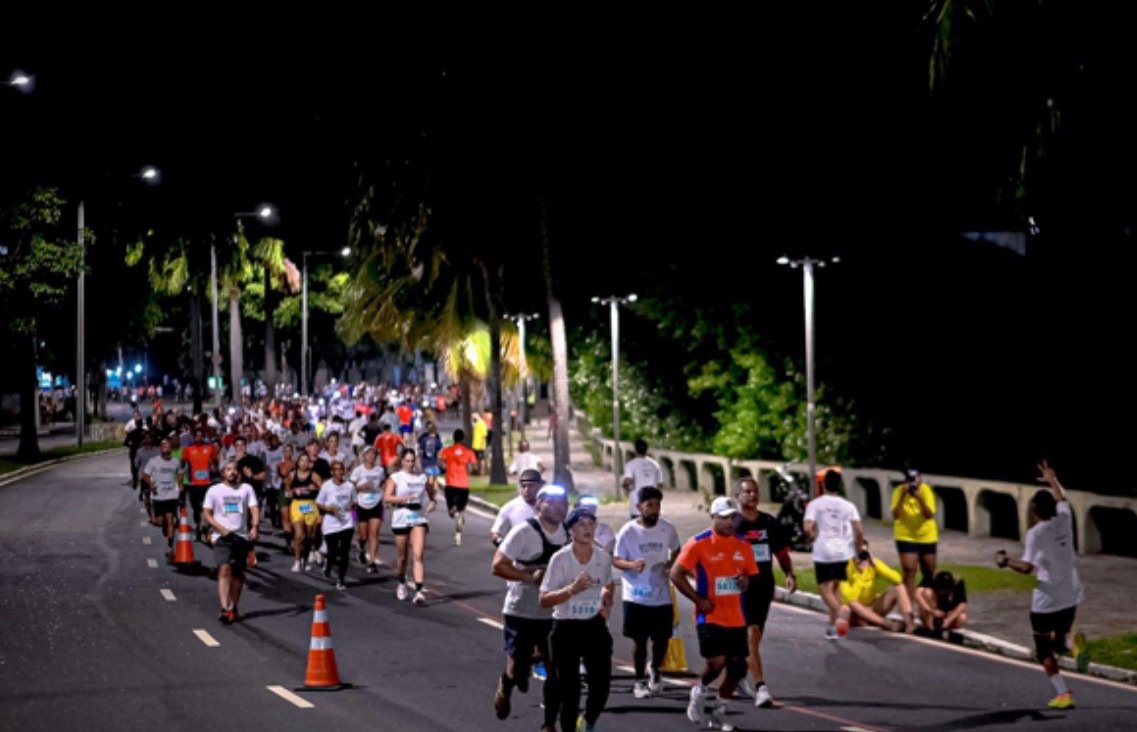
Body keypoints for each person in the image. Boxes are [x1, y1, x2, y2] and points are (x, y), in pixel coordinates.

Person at [995, 459, 1086, 710]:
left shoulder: (1036, 533)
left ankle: (1063, 694)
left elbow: (1026, 568)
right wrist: (1053, 480)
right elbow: (1063, 498)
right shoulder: (1065, 520)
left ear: (1034, 510)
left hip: (1047, 600)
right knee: (1059, 642)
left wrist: (1005, 561)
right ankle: (1073, 644)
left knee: (1043, 649)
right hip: (1071, 594)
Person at [670, 497, 759, 728]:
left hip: (736, 617)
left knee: (738, 668)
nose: (730, 522)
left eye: (732, 517)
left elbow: (751, 577)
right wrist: (699, 600)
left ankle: (719, 710)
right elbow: (676, 574)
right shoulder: (698, 543)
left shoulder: (743, 546)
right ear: (713, 518)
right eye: (724, 517)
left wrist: (745, 581)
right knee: (717, 662)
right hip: (709, 615)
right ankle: (699, 690)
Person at [491, 485, 570, 730]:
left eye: (563, 503)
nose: (558, 508)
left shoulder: (570, 533)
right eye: (552, 503)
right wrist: (529, 577)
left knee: (556, 669)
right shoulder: (523, 532)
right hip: (521, 610)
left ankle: (548, 725)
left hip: (555, 612)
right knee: (518, 667)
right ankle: (507, 682)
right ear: (538, 505)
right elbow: (498, 566)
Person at [540, 508, 616, 732]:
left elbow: (608, 583)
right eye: (581, 524)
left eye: (591, 524)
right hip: (566, 628)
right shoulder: (560, 559)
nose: (587, 529)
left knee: (601, 685)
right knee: (570, 691)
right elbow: (544, 599)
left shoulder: (602, 557)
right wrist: (571, 589)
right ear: (571, 530)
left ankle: (588, 722)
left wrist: (606, 599)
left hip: (593, 625)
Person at [733, 475, 796, 707]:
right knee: (751, 633)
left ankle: (738, 676)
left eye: (755, 491)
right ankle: (761, 687)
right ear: (737, 496)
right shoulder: (733, 524)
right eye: (747, 491)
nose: (753, 495)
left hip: (764, 585)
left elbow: (781, 553)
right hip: (742, 587)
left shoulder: (769, 522)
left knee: (755, 636)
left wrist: (789, 574)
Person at [613, 486, 679, 699]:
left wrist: (671, 564)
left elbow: (678, 550)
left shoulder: (667, 529)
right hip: (635, 594)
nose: (654, 510)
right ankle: (639, 680)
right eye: (650, 505)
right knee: (639, 640)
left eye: (658, 505)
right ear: (638, 506)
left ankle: (656, 670)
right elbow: (616, 559)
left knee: (662, 639)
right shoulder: (628, 531)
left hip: (660, 593)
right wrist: (632, 565)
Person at [804, 468, 864, 640]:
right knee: (834, 589)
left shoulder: (815, 504)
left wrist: (811, 537)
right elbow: (859, 530)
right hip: (842, 552)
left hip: (823, 552)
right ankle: (832, 628)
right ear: (839, 486)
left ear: (822, 484)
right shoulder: (848, 506)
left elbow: (807, 528)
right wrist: (858, 551)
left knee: (824, 589)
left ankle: (840, 612)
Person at [202, 460, 260, 624]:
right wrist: (219, 528)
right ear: (223, 473)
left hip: (241, 536)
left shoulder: (246, 489)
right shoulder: (214, 490)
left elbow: (254, 508)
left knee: (238, 573)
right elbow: (206, 513)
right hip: (222, 536)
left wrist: (254, 527)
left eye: (235, 469)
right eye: (228, 469)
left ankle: (233, 606)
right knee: (225, 569)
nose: (232, 472)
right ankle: (224, 607)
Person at [383, 448, 436, 605]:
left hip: (418, 516)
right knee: (403, 557)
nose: (410, 464)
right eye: (407, 461)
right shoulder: (396, 477)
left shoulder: (421, 477)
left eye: (412, 461)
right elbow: (387, 497)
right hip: (401, 516)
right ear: (402, 461)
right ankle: (401, 580)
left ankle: (419, 592)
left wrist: (433, 502)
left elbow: (431, 493)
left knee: (418, 555)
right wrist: (402, 498)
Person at [838, 541, 916, 633]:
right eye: (858, 553)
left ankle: (910, 625)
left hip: (872, 606)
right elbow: (849, 597)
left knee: (899, 587)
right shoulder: (845, 568)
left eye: (864, 553)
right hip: (855, 611)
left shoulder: (872, 564)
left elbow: (897, 579)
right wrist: (858, 573)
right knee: (849, 605)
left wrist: (877, 565)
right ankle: (887, 624)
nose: (861, 557)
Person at [892, 468, 938, 602]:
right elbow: (895, 515)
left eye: (915, 478)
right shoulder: (898, 491)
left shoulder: (926, 491)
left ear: (920, 478)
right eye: (910, 479)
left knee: (929, 572)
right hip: (905, 535)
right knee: (909, 570)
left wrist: (919, 497)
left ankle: (926, 600)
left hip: (926, 535)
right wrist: (903, 495)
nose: (913, 482)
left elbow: (929, 515)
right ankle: (909, 606)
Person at [316, 460, 357, 590]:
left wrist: (352, 508)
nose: (339, 472)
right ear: (332, 472)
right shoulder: (326, 486)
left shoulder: (349, 486)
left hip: (346, 523)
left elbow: (354, 502)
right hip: (331, 524)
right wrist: (328, 509)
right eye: (336, 469)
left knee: (344, 553)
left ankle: (341, 579)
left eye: (341, 469)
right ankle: (328, 567)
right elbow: (319, 503)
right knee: (332, 552)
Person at [142, 437, 183, 560]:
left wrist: (180, 485)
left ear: (171, 449)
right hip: (158, 495)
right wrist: (151, 484)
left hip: (171, 495)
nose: (166, 449)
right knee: (159, 522)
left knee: (171, 520)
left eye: (168, 447)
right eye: (164, 447)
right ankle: (163, 524)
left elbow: (180, 473)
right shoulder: (153, 461)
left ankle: (170, 548)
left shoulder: (176, 461)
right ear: (160, 449)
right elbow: (145, 475)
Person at [438, 429, 477, 546]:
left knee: (452, 511)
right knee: (461, 509)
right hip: (463, 485)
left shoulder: (447, 451)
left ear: (453, 438)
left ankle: (455, 513)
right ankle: (458, 533)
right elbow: (475, 466)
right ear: (463, 438)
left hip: (450, 484)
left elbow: (440, 462)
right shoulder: (468, 452)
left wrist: (445, 467)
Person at [350, 446, 386, 572]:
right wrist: (363, 487)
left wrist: (385, 495)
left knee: (374, 534)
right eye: (368, 454)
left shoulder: (380, 470)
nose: (371, 456)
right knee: (363, 536)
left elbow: (383, 483)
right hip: (361, 504)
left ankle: (372, 562)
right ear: (364, 456)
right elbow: (351, 487)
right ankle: (361, 547)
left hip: (376, 503)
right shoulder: (358, 470)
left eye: (373, 454)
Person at [490, 469, 542, 546]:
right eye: (523, 486)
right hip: (521, 553)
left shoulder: (551, 505)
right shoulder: (510, 507)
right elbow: (495, 532)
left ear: (540, 486)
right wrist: (501, 543)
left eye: (531, 486)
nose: (526, 490)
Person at [916, 570, 968, 637]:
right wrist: (932, 611)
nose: (942, 593)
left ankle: (952, 634)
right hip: (934, 611)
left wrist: (948, 620)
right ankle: (929, 627)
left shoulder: (958, 583)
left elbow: (962, 605)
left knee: (962, 618)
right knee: (927, 593)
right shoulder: (931, 578)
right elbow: (917, 594)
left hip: (948, 613)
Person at [622, 439, 664, 519]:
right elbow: (660, 485)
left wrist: (625, 491)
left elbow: (628, 481)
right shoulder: (655, 464)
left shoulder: (630, 465)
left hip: (637, 504)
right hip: (653, 505)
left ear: (635, 449)